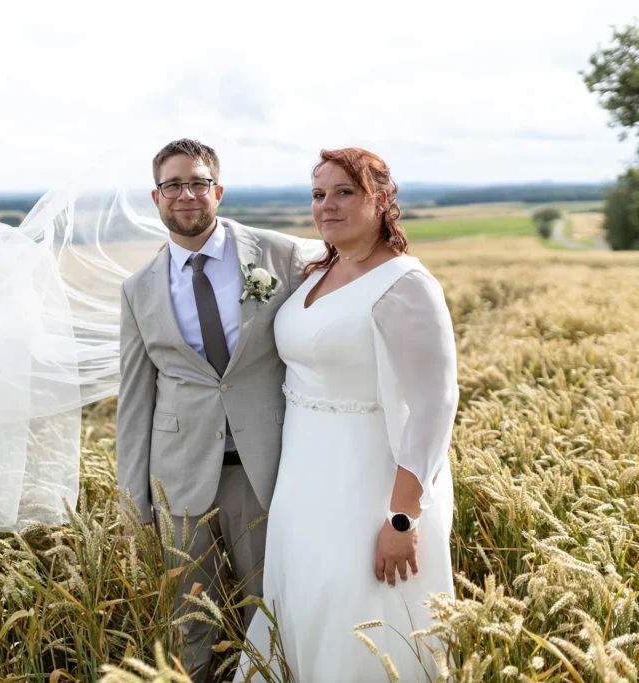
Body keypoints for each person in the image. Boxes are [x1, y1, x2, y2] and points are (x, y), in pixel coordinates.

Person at [240, 148, 459, 682]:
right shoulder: (321, 267)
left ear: (381, 200)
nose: (327, 205)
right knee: (305, 595)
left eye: (345, 192)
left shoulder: (406, 284)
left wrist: (402, 517)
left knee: (359, 611)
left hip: (369, 482)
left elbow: (435, 405)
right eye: (318, 194)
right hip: (303, 475)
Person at [115, 138, 310, 683]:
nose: (186, 194)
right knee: (188, 622)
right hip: (177, 479)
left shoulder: (279, 255)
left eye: (198, 182)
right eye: (173, 185)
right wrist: (135, 506)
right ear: (156, 198)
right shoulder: (137, 290)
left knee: (266, 608)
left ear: (217, 190)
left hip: (262, 469)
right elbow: (134, 401)